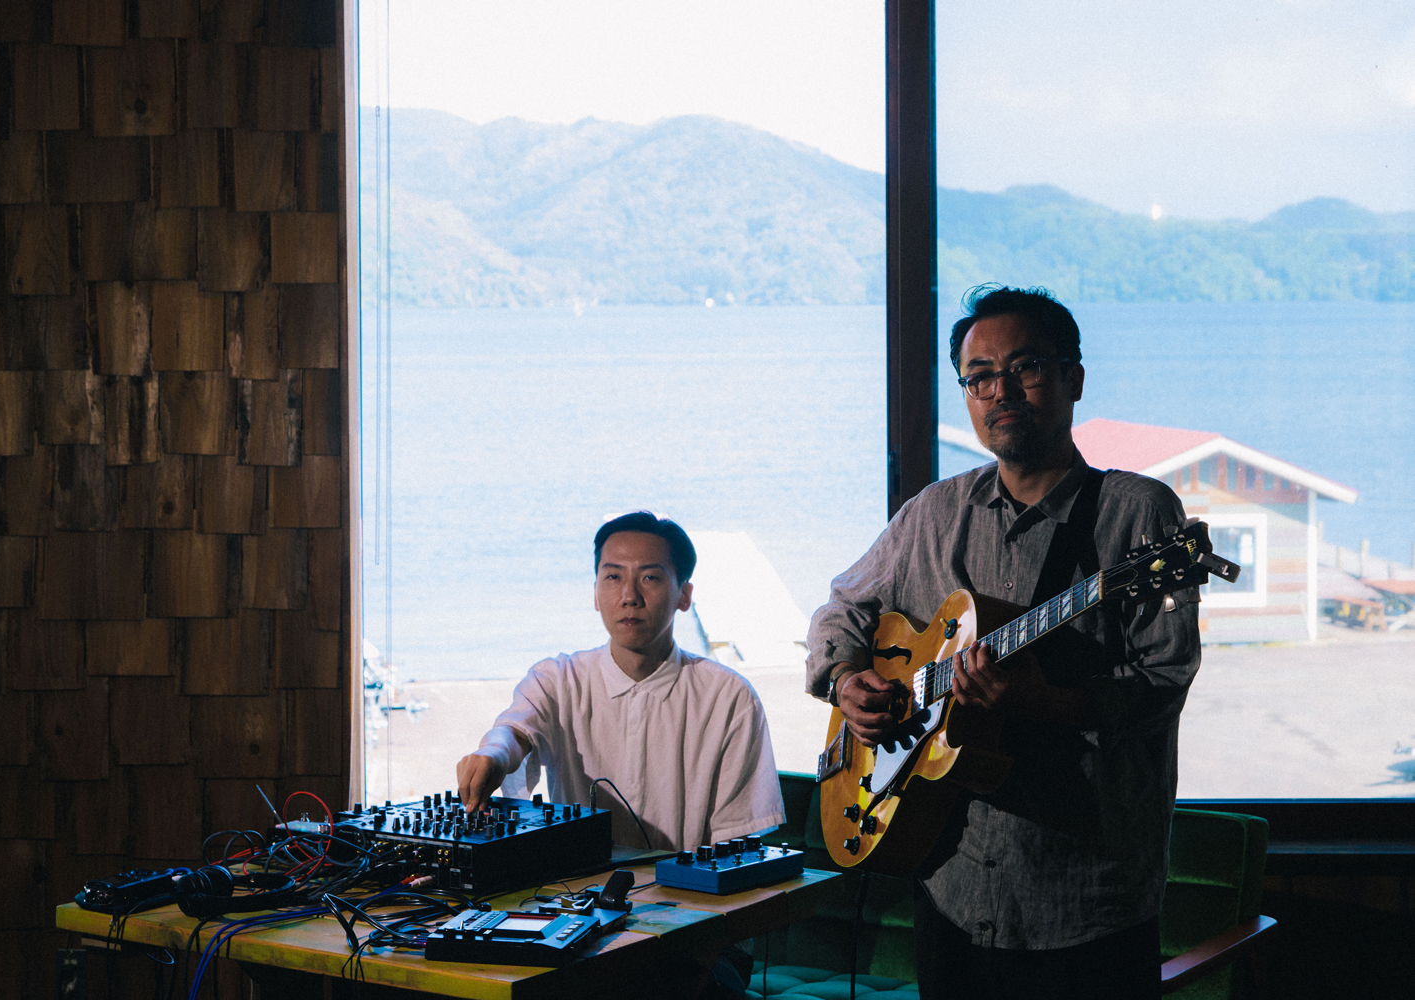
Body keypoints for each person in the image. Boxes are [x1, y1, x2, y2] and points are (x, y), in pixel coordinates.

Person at [806, 285, 1200, 1000]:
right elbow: (843, 608)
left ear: (1073, 378)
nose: (1001, 391)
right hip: (948, 878)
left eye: (1026, 368)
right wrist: (844, 681)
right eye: (980, 376)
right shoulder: (932, 514)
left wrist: (1045, 701)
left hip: (1086, 897)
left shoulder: (1138, 515)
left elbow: (1162, 684)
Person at [457, 510, 785, 855]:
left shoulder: (729, 697)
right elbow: (514, 732)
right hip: (577, 884)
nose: (629, 596)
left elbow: (737, 842)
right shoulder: (558, 678)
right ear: (595, 594)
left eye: (650, 578)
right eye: (613, 577)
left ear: (684, 595)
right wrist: (492, 754)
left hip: (686, 886)